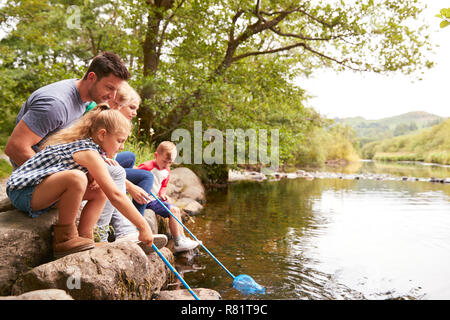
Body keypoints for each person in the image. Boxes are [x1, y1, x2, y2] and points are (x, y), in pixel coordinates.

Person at [6, 107, 164, 258]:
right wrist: (143, 226)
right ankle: (65, 238)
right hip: (23, 192)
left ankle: (85, 237)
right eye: (119, 141)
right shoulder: (88, 152)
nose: (122, 147)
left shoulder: (95, 152)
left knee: (99, 190)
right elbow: (116, 195)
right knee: (77, 178)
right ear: (102, 135)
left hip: (43, 193)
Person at [5, 51, 131, 169]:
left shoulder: (87, 98)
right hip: (33, 174)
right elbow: (15, 148)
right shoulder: (56, 105)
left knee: (111, 171)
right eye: (109, 87)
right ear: (92, 77)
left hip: (59, 163)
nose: (112, 96)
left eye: (116, 90)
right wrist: (55, 175)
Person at [138, 141, 200, 253]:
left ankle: (182, 238)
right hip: (146, 200)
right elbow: (135, 177)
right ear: (156, 155)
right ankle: (178, 242)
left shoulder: (166, 170)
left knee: (175, 209)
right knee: (172, 210)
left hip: (156, 199)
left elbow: (163, 185)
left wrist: (162, 193)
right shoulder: (147, 167)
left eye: (170, 163)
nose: (166, 165)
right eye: (164, 161)